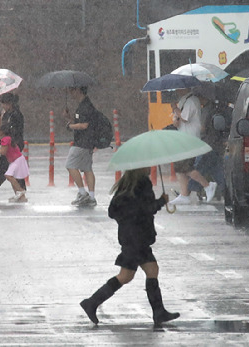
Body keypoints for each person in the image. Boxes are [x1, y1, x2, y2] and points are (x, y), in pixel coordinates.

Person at [80, 167, 180, 326]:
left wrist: (127, 220)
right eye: (148, 165)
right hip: (137, 238)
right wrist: (162, 201)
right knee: (126, 275)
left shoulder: (125, 184)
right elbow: (147, 209)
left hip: (131, 237)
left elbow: (113, 211)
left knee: (151, 270)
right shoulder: (143, 184)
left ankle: (159, 312)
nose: (150, 167)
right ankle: (91, 302)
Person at [169, 88, 217, 205]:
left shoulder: (191, 101)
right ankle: (184, 194)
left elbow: (185, 118)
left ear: (186, 88)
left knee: (186, 167)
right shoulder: (183, 101)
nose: (178, 90)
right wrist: (175, 117)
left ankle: (208, 185)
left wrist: (175, 108)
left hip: (190, 140)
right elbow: (178, 121)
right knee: (179, 166)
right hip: (182, 139)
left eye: (180, 88)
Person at [187, 91, 226, 200]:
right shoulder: (213, 108)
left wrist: (193, 126)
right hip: (213, 143)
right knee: (216, 169)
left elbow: (203, 127)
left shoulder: (206, 110)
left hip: (207, 143)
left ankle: (188, 191)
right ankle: (225, 189)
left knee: (198, 167)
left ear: (201, 97)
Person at [0, 92, 26, 193]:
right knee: (13, 169)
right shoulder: (6, 114)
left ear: (10, 103)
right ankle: (20, 192)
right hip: (8, 143)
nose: (3, 106)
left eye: (4, 103)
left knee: (2, 168)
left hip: (14, 144)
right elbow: (2, 130)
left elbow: (5, 131)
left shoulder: (16, 115)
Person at [64, 86, 97, 207]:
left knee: (70, 165)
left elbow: (84, 125)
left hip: (82, 142)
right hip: (88, 142)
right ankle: (92, 197)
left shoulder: (85, 106)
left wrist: (70, 126)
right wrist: (69, 118)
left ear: (79, 91)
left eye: (72, 90)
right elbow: (81, 121)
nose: (71, 93)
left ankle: (83, 193)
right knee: (87, 169)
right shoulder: (84, 105)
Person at [0, 124, 29, 203]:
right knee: (12, 176)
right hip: (16, 160)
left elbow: (3, 152)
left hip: (17, 160)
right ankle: (20, 196)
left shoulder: (5, 139)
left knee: (8, 175)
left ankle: (20, 191)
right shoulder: (9, 138)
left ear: (3, 132)